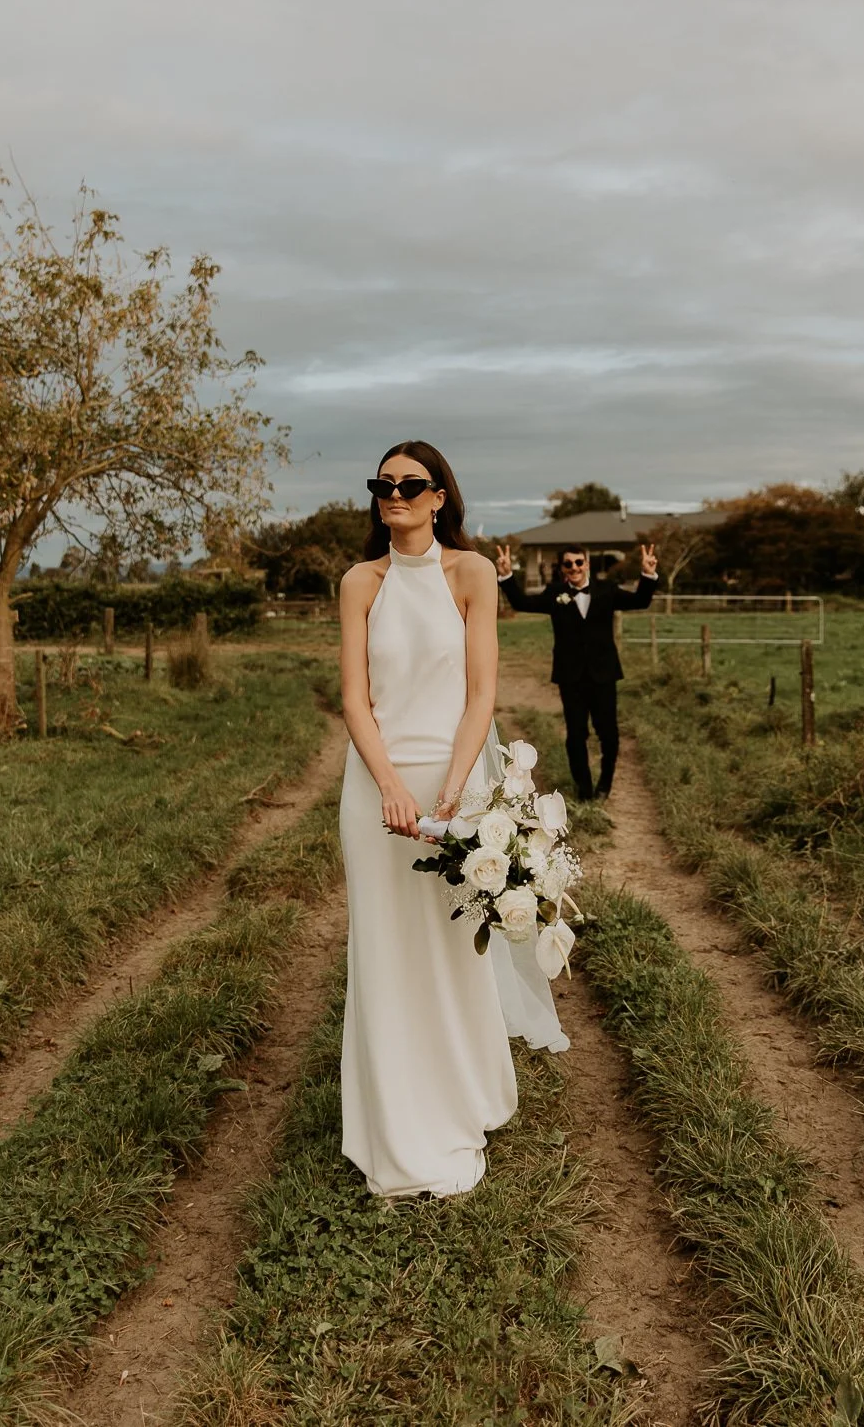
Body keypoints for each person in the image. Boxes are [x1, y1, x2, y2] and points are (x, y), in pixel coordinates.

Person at [338, 439, 566, 1199]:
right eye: (384, 484)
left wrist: (456, 786)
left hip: (454, 782)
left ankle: (466, 1093)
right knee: (385, 948)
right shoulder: (358, 583)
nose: (395, 494)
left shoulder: (469, 574)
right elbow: (355, 701)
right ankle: (393, 1119)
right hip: (377, 787)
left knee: (449, 947)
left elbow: (479, 695)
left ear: (440, 496)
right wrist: (390, 788)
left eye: (411, 484)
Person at [494, 540, 659, 800]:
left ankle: (604, 786)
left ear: (587, 564)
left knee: (609, 734)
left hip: (604, 674)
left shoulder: (607, 590)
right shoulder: (555, 593)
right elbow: (522, 602)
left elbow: (640, 600)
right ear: (562, 568)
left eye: (579, 562)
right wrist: (506, 574)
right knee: (575, 735)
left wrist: (648, 573)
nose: (574, 567)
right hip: (570, 676)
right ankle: (583, 789)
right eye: (568, 564)